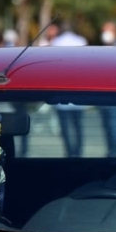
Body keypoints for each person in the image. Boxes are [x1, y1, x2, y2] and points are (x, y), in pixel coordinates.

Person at [50, 21, 88, 157]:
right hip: (79, 92)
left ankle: (69, 153)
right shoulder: (81, 41)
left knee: (65, 128)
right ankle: (79, 153)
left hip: (61, 93)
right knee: (78, 127)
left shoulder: (56, 42)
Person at [98, 20, 116, 157]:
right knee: (106, 127)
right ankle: (110, 152)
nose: (105, 33)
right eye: (104, 30)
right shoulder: (98, 50)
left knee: (114, 126)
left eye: (108, 30)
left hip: (115, 97)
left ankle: (115, 154)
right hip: (102, 97)